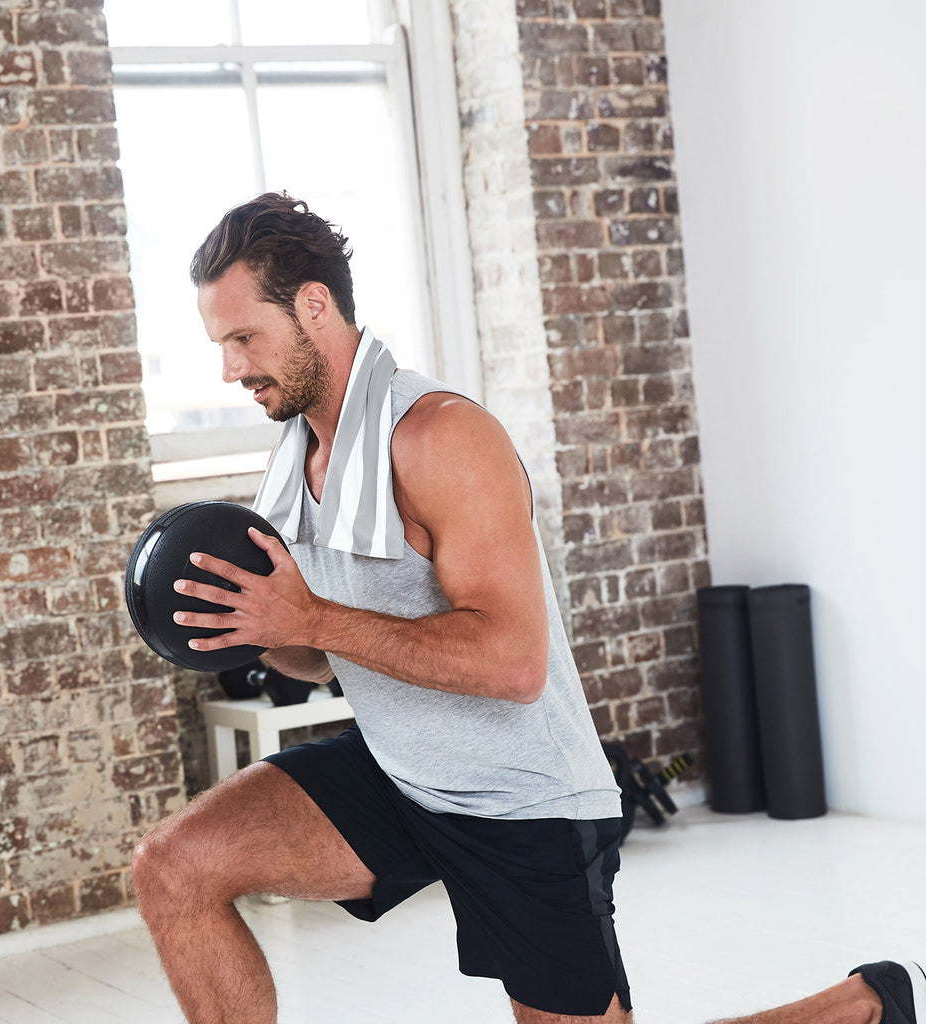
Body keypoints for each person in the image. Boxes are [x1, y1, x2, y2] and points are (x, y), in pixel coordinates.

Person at [130, 192, 922, 1024]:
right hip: (402, 772)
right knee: (174, 866)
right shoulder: (301, 455)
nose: (230, 369)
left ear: (315, 307)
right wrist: (255, 628)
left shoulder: (440, 437)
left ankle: (864, 1005)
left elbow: (510, 663)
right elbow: (320, 653)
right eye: (221, 346)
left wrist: (311, 621)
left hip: (523, 802)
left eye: (243, 338)